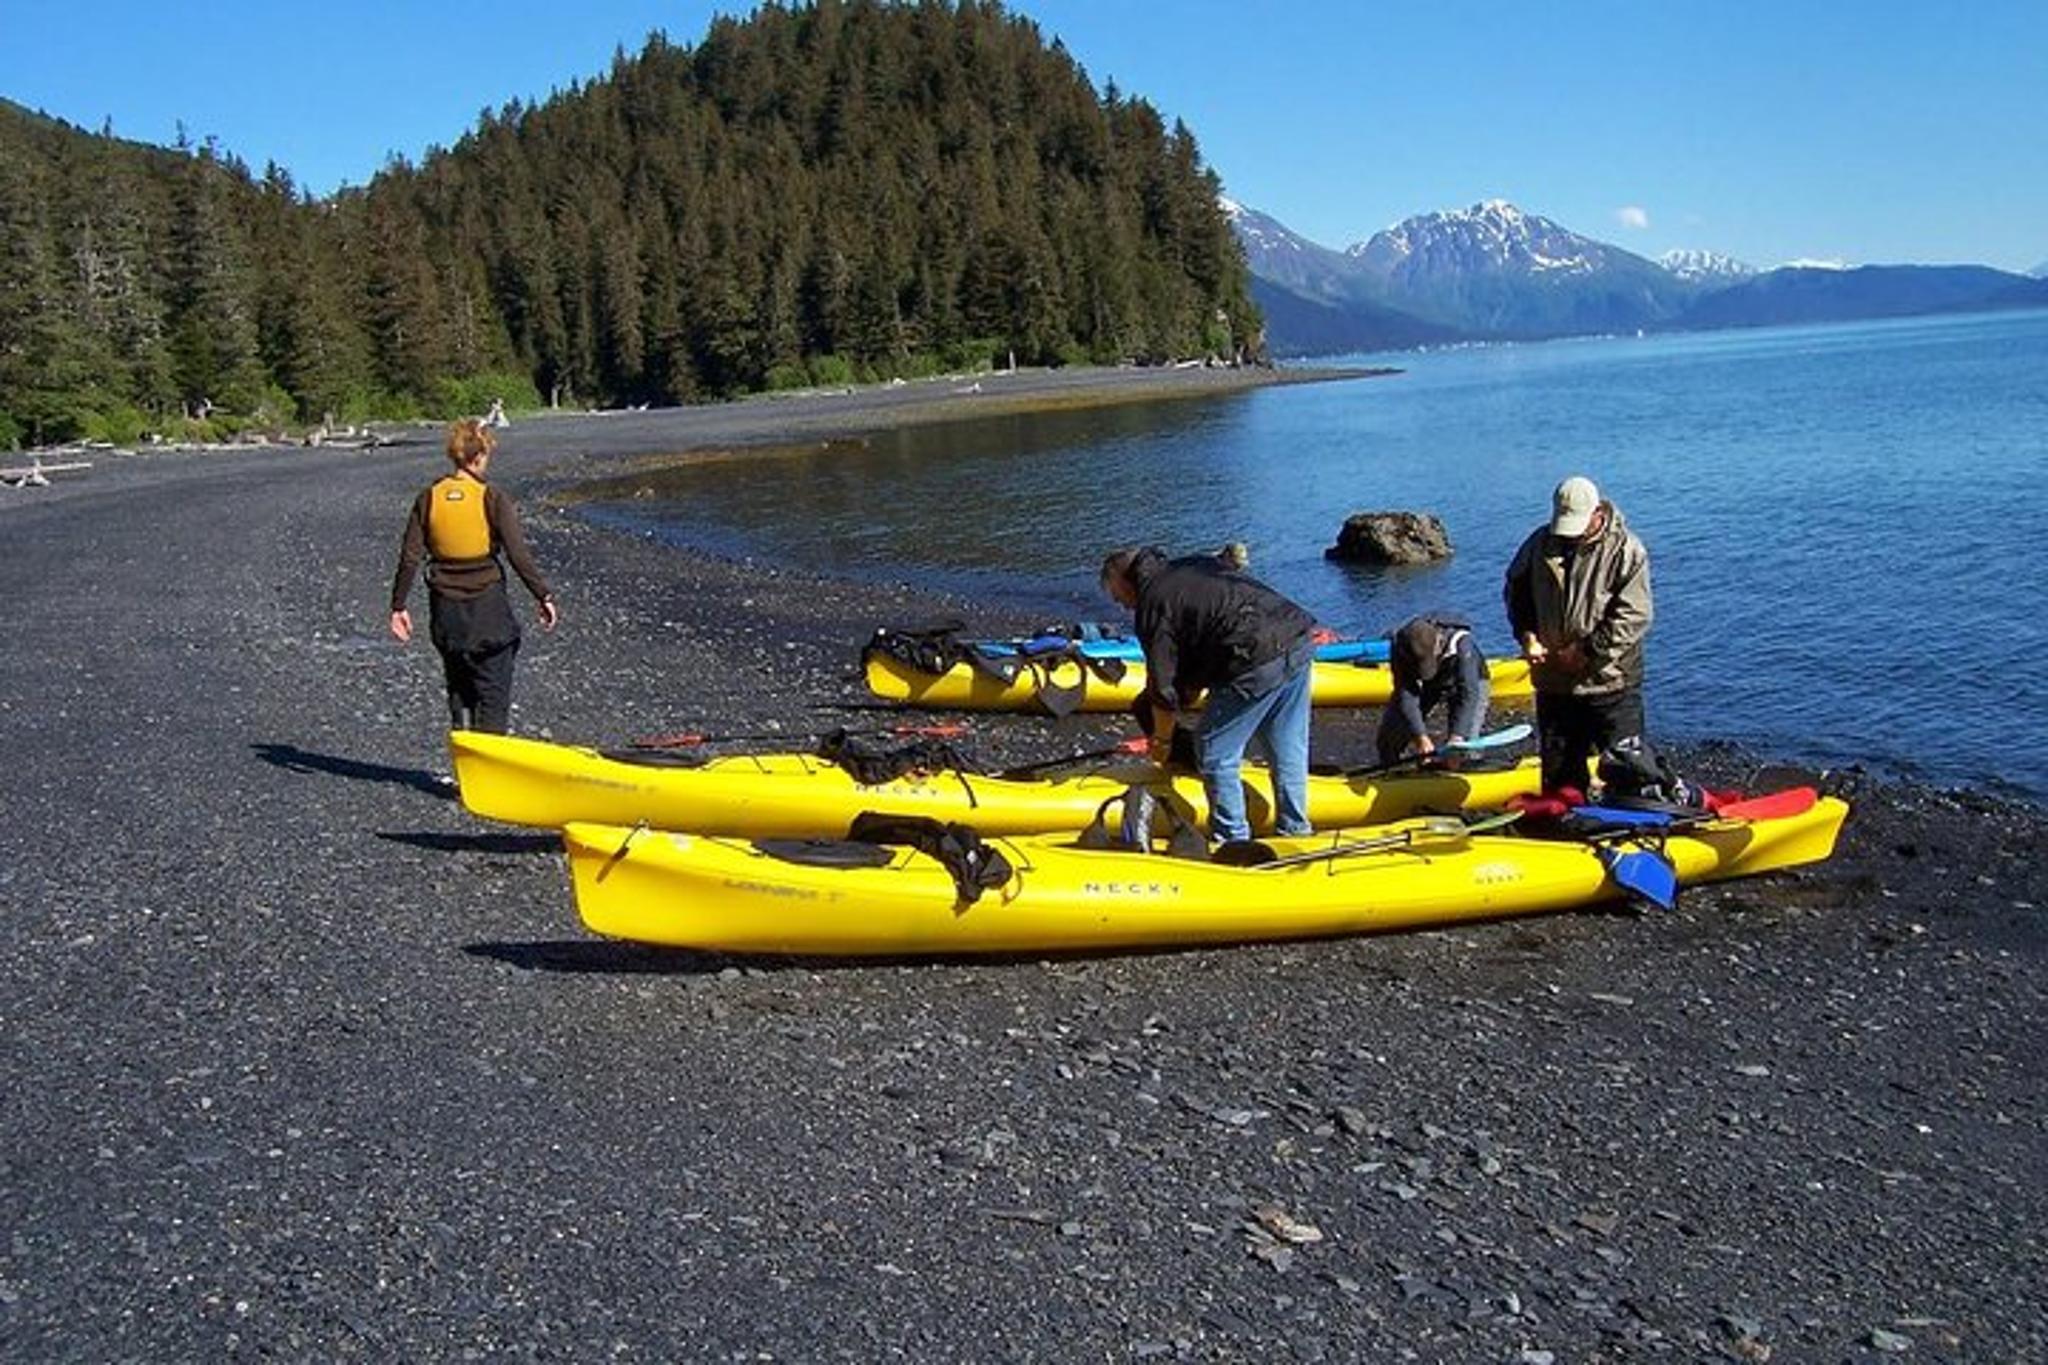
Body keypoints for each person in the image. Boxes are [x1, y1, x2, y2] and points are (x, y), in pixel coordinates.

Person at [1100, 545, 1317, 844]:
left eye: (1118, 596)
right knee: (1286, 743)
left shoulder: (1153, 602)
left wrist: (1161, 741)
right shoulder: (1191, 565)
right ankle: (1296, 830)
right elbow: (1207, 629)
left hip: (1254, 655)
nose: (1122, 605)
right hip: (1297, 637)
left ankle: (1232, 840)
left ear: (1126, 580)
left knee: (1215, 752)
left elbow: (1163, 688)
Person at [390, 418, 559, 733]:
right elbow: (517, 554)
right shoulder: (492, 498)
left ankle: (464, 767)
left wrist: (398, 606)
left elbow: (410, 556)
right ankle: (488, 766)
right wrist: (543, 595)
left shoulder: (429, 498)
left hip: (446, 613)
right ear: (478, 456)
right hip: (487, 611)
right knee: (493, 689)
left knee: (460, 688)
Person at [1503, 475, 1655, 796]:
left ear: (1598, 513)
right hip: (1554, 684)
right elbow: (1517, 592)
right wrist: (1527, 635)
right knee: (1560, 779)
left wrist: (1585, 652)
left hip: (1611, 682)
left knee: (1627, 770)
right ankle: (1566, 829)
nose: (1569, 535)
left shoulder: (1627, 550)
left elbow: (1634, 615)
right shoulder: (1538, 544)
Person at [1377, 613, 1490, 765]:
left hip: (1470, 682)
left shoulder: (1461, 644)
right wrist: (1421, 737)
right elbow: (1406, 694)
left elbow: (1469, 694)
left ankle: (1468, 768)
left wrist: (1457, 737)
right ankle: (1394, 769)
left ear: (1438, 643)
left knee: (1465, 747)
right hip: (1432, 684)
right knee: (1390, 735)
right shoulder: (1401, 645)